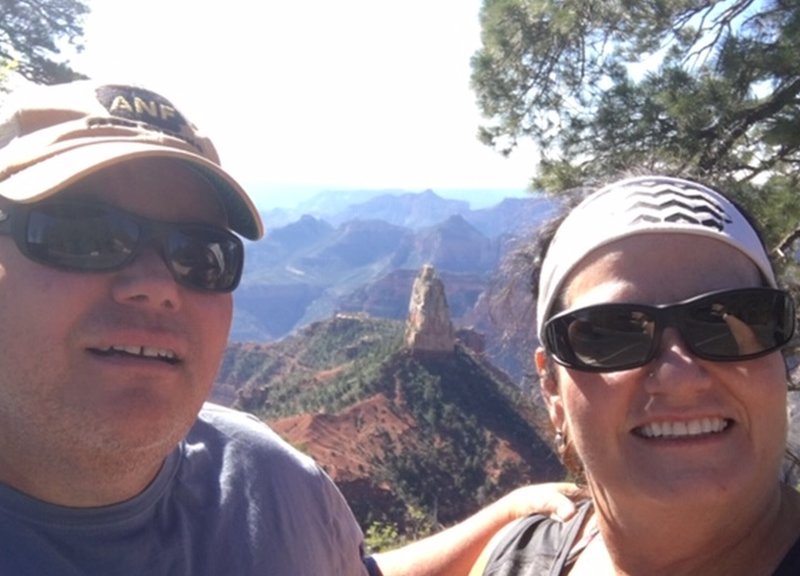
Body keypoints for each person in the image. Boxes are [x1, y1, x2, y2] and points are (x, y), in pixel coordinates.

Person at [0, 79, 579, 576]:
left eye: (201, 254)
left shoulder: (274, 484)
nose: (155, 283)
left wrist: (506, 514)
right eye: (81, 235)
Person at [470, 175, 800, 575]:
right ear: (552, 389)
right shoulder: (513, 559)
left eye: (728, 321)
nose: (680, 376)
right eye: (612, 334)